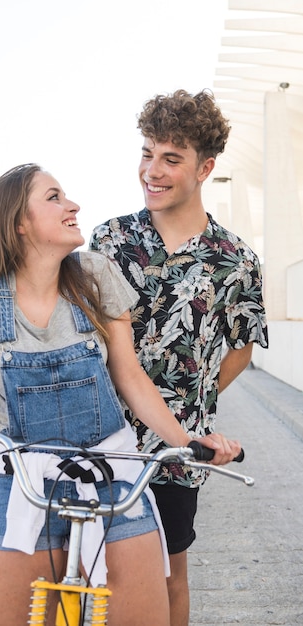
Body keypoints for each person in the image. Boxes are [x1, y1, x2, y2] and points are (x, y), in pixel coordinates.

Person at [0, 163, 241, 626]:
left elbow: (130, 377)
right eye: (54, 197)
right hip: (21, 478)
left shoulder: (94, 274)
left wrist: (185, 442)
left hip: (113, 474)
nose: (73, 205)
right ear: (18, 223)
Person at [89, 89, 269, 626]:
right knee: (92, 569)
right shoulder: (110, 238)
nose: (153, 169)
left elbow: (241, 347)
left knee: (169, 575)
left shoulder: (236, 260)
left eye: (171, 158)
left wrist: (195, 397)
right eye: (148, 153)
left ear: (205, 167)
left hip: (177, 445)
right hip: (100, 435)